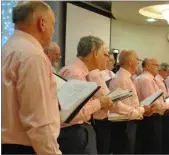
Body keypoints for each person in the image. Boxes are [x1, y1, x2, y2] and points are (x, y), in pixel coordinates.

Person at [2, 1, 62, 154]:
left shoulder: (6, 49)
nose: (53, 31)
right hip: (25, 148)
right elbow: (39, 123)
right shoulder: (33, 56)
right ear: (42, 23)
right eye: (53, 25)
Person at [58, 36, 113, 154]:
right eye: (105, 54)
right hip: (74, 133)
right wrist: (100, 102)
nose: (108, 58)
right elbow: (72, 113)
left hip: (79, 131)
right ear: (95, 53)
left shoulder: (80, 72)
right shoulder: (75, 73)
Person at [108, 50, 149, 154]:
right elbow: (121, 108)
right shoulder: (122, 79)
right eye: (137, 60)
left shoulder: (126, 77)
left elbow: (130, 103)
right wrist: (142, 109)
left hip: (129, 122)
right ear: (130, 62)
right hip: (125, 124)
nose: (138, 63)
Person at [135, 58, 169, 154]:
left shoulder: (149, 79)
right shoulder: (146, 79)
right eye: (156, 65)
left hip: (152, 116)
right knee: (152, 148)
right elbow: (152, 103)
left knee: (154, 147)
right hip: (151, 117)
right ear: (148, 66)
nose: (158, 68)